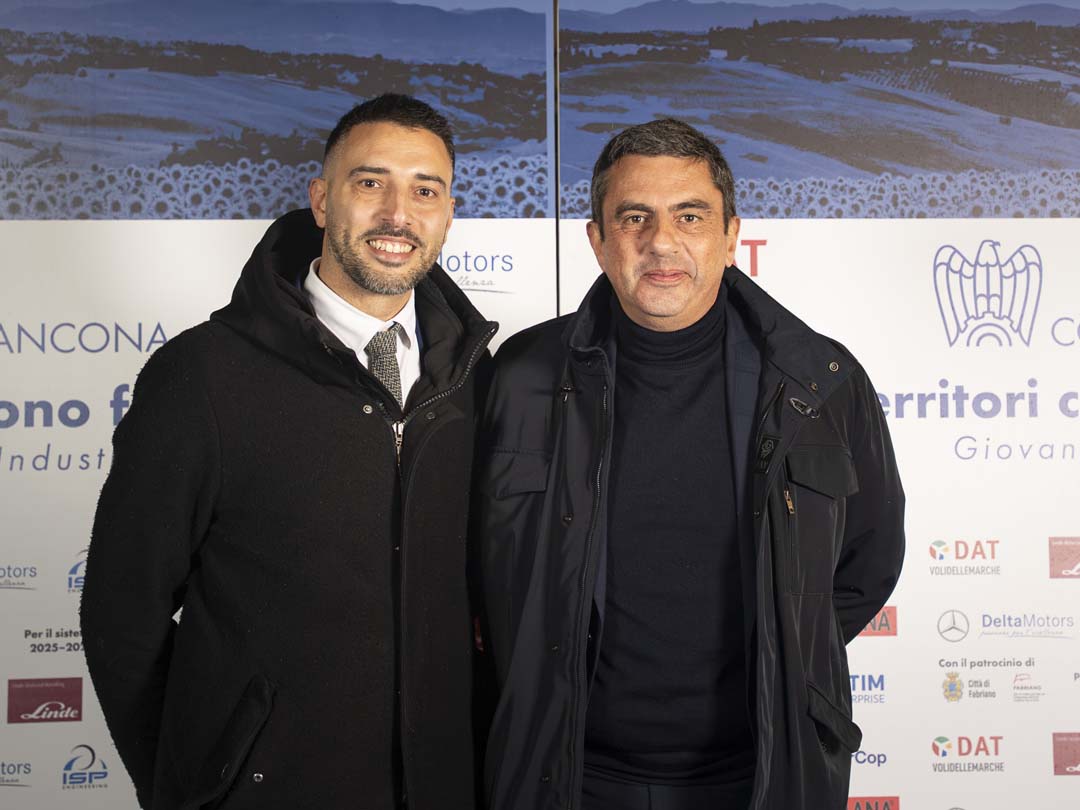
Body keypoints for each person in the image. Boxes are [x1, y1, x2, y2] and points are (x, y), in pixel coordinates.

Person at [473, 119, 904, 810]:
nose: (661, 242)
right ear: (597, 240)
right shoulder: (521, 376)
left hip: (761, 775)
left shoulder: (819, 381)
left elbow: (867, 562)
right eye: (633, 217)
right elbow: (478, 569)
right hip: (564, 774)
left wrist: (782, 655)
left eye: (690, 216)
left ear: (731, 236)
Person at [81, 94, 496, 810]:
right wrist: (189, 784)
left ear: (448, 214)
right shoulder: (203, 376)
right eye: (371, 182)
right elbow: (123, 613)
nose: (398, 214)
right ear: (323, 201)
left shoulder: (478, 380)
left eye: (425, 191)